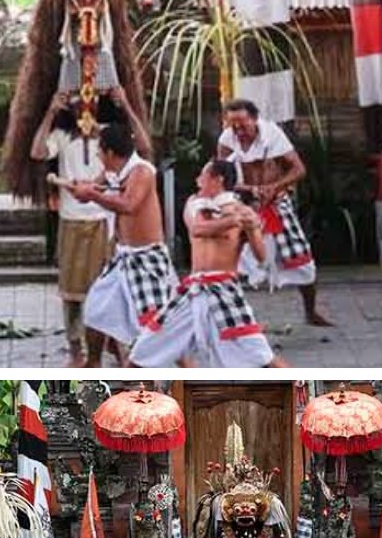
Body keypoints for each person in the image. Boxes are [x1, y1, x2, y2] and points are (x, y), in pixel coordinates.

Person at [30, 87, 151, 365]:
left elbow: (143, 145)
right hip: (71, 221)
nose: (83, 106)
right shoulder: (61, 136)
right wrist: (50, 111)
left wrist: (127, 106)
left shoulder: (109, 133)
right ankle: (76, 349)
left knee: (108, 289)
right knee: (71, 290)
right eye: (76, 102)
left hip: (103, 221)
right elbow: (37, 152)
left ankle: (114, 342)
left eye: (90, 100)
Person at [131, 161, 285, 368]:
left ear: (218, 180)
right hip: (192, 291)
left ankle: (306, 393)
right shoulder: (194, 204)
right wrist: (233, 220)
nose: (197, 181)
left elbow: (261, 257)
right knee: (143, 349)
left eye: (202, 176)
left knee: (262, 357)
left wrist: (253, 228)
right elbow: (198, 230)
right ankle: (121, 399)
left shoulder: (242, 211)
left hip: (224, 291)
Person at [64, 124, 175, 367]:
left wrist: (91, 194)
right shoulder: (112, 172)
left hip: (146, 259)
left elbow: (128, 205)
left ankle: (177, 376)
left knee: (155, 325)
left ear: (110, 153)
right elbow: (92, 189)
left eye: (99, 152)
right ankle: (93, 363)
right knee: (95, 309)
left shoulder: (142, 172)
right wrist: (80, 189)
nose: (98, 157)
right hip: (122, 258)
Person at [217, 99, 331, 327]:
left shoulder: (272, 135)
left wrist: (274, 187)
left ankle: (311, 311)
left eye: (242, 124)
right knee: (231, 262)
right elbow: (222, 176)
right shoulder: (227, 140)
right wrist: (247, 191)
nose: (238, 130)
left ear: (254, 119)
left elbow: (299, 169)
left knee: (302, 260)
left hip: (276, 204)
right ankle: (234, 317)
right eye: (233, 125)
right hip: (243, 205)